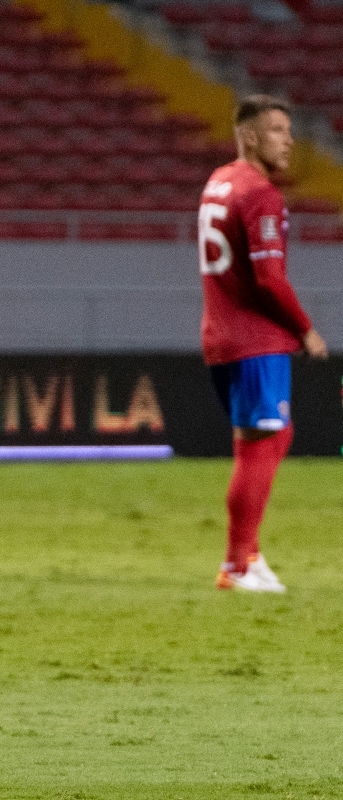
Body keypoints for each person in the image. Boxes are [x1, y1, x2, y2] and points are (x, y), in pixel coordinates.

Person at [199, 94, 327, 592]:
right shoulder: (260, 195)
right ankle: (237, 565)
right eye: (277, 130)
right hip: (254, 341)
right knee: (258, 447)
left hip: (222, 335)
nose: (289, 140)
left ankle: (247, 554)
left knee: (274, 436)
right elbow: (270, 279)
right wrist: (305, 329)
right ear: (249, 136)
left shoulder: (219, 182)